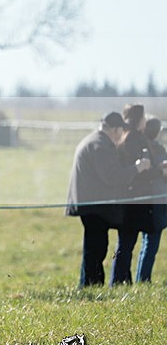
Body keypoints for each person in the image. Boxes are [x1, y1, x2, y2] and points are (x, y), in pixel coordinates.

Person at [66, 112, 149, 287]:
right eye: (121, 131)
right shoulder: (101, 145)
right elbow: (112, 176)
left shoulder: (94, 140)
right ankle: (91, 285)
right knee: (96, 248)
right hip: (94, 206)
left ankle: (90, 285)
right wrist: (137, 168)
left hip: (91, 203)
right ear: (116, 129)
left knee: (95, 247)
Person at [111, 104, 161, 285]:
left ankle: (122, 280)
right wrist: (159, 172)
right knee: (126, 243)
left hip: (133, 198)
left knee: (126, 243)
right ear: (138, 119)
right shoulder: (132, 138)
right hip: (134, 198)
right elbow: (140, 170)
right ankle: (118, 281)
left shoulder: (129, 137)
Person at [136, 116, 167, 282]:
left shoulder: (140, 146)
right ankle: (143, 278)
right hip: (157, 201)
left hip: (145, 200)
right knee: (151, 243)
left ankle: (141, 277)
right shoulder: (158, 148)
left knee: (144, 243)